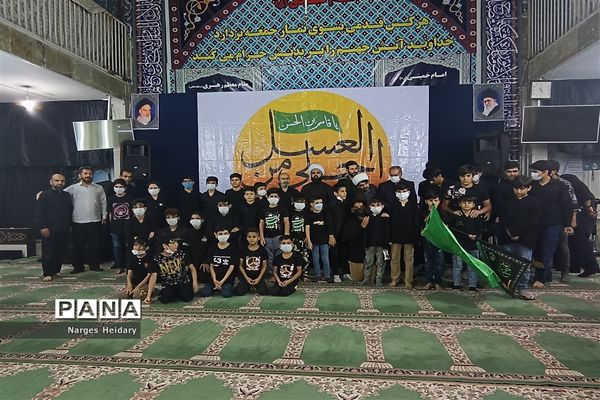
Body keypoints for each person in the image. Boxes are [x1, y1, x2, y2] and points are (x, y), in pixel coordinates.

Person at [529, 160, 573, 288]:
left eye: (535, 171)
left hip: (553, 223)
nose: (533, 174)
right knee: (537, 251)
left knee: (546, 251)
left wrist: (567, 224)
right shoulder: (531, 185)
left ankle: (540, 278)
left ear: (545, 172)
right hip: (535, 223)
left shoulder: (559, 186)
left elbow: (567, 206)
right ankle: (546, 274)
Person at [496, 175, 539, 300]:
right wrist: (510, 233)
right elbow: (502, 218)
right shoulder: (507, 201)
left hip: (526, 239)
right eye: (516, 188)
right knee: (508, 264)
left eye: (522, 188)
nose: (519, 191)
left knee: (524, 265)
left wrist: (517, 233)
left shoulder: (534, 202)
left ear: (529, 188)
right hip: (507, 238)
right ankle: (510, 286)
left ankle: (523, 288)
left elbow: (533, 221)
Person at [64, 166, 107, 273]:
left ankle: (94, 265)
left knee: (95, 245)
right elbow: (59, 194)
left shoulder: (99, 188)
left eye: (90, 174)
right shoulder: (72, 188)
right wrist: (42, 194)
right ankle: (78, 267)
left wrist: (104, 216)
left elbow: (103, 202)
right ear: (80, 175)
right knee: (78, 246)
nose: (88, 175)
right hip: (78, 221)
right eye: (85, 173)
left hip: (95, 220)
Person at [35, 173, 72, 281]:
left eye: (62, 181)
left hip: (64, 228)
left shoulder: (66, 195)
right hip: (49, 229)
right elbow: (39, 213)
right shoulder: (44, 195)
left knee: (60, 250)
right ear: (51, 182)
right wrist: (43, 227)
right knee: (48, 251)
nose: (60, 183)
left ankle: (55, 270)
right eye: (57, 180)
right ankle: (47, 273)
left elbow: (69, 211)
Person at [561, 174, 600, 278]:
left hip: (583, 214)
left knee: (580, 241)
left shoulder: (568, 179)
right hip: (574, 214)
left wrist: (589, 208)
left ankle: (591, 266)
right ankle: (575, 266)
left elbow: (586, 197)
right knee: (573, 241)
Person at [444, 196, 483, 291]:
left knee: (473, 266)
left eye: (469, 203)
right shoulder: (455, 216)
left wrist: (476, 236)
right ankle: (456, 284)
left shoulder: (476, 216)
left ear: (473, 205)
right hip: (459, 246)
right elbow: (444, 224)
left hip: (473, 245)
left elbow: (480, 229)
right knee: (457, 265)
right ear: (460, 204)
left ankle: (472, 285)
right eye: (464, 202)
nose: (466, 205)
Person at [548, 160, 578, 282]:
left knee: (563, 246)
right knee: (546, 246)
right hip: (545, 219)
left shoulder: (565, 184)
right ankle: (546, 271)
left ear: (553, 171)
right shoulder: (540, 183)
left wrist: (572, 220)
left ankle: (565, 271)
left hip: (561, 220)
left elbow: (573, 203)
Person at [145, 238, 198, 304]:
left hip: (183, 281)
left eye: (176, 242)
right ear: (165, 245)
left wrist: (195, 283)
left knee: (187, 297)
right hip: (168, 283)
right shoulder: (156, 258)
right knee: (165, 299)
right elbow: (153, 276)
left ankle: (180, 292)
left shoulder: (181, 254)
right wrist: (148, 296)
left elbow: (192, 268)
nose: (176, 244)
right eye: (173, 243)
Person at [388, 184, 420, 289]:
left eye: (404, 191)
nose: (402, 194)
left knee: (409, 259)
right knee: (394, 258)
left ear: (409, 192)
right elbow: (390, 221)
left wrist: (416, 236)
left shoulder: (413, 205)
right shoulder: (393, 205)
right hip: (395, 235)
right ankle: (394, 278)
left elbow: (416, 222)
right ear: (396, 193)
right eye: (399, 192)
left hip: (409, 235)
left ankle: (408, 280)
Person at [200, 226, 238, 298]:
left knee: (226, 294)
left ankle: (221, 287)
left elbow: (231, 267)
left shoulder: (233, 248)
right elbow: (211, 266)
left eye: (225, 233)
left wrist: (222, 281)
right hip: (213, 278)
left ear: (229, 234)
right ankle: (216, 287)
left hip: (227, 278)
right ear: (215, 235)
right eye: (220, 234)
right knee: (204, 293)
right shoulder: (212, 248)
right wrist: (214, 280)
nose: (223, 235)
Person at [259, 188, 290, 270]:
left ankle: (279, 272)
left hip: (279, 236)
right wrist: (261, 237)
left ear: (279, 198)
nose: (273, 198)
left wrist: (286, 235)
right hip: (267, 237)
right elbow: (261, 224)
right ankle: (272, 272)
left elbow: (286, 222)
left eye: (275, 196)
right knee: (269, 257)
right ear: (267, 197)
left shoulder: (283, 209)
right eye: (271, 196)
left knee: (279, 256)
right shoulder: (263, 209)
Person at [305, 195, 334, 283]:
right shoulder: (309, 215)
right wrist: (309, 241)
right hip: (314, 241)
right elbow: (307, 228)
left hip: (324, 241)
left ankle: (327, 276)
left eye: (321, 202)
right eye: (317, 203)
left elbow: (329, 226)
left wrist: (330, 237)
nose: (319, 204)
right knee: (315, 258)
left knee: (325, 259)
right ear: (311, 204)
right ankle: (317, 275)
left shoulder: (325, 214)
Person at [107, 178, 133, 273]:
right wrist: (110, 225)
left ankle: (129, 266)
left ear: (125, 188)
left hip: (128, 226)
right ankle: (119, 266)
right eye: (116, 186)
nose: (119, 188)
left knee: (128, 246)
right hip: (115, 227)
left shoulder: (130, 198)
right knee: (117, 247)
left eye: (121, 186)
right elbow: (110, 213)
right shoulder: (111, 199)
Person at [362, 198, 390, 286]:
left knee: (381, 262)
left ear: (382, 206)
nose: (375, 207)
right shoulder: (367, 218)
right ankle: (366, 278)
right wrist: (365, 244)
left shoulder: (385, 218)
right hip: (370, 244)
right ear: (369, 206)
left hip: (381, 244)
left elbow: (387, 232)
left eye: (378, 205)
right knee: (368, 261)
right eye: (373, 205)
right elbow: (365, 232)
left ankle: (379, 280)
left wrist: (386, 245)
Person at [234, 228, 269, 296]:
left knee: (264, 292)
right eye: (249, 237)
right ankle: (248, 286)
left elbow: (264, 266)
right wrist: (246, 277)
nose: (251, 239)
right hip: (246, 276)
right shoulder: (243, 250)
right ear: (246, 238)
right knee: (238, 292)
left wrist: (259, 278)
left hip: (258, 276)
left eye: (254, 237)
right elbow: (240, 265)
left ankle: (255, 285)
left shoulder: (263, 250)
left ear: (258, 238)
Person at [421, 191, 445, 290]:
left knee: (439, 262)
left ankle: (437, 282)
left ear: (439, 201)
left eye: (436, 200)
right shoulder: (423, 212)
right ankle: (429, 281)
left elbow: (445, 226)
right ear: (426, 201)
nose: (433, 203)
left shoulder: (442, 213)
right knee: (428, 261)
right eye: (431, 201)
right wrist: (431, 213)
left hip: (438, 241)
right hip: (427, 240)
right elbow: (422, 222)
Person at [342, 200, 369, 282]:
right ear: (353, 209)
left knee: (371, 279)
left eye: (361, 207)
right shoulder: (350, 221)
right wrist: (361, 226)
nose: (359, 209)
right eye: (356, 207)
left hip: (370, 252)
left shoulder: (370, 218)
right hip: (356, 253)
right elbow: (347, 236)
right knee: (357, 278)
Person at [329, 183, 348, 282]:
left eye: (345, 191)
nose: (345, 193)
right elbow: (330, 221)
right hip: (334, 234)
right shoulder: (332, 205)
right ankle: (335, 274)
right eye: (342, 191)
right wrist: (331, 235)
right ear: (335, 193)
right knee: (334, 254)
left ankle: (345, 273)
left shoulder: (345, 204)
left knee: (344, 253)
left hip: (344, 234)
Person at [289, 193, 310, 281]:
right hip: (293, 239)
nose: (300, 203)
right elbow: (288, 225)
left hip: (303, 239)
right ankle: (293, 274)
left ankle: (304, 274)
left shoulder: (307, 213)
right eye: (298, 201)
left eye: (302, 202)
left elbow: (307, 227)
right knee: (292, 257)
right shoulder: (290, 212)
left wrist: (308, 239)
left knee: (304, 257)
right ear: (294, 202)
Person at [188, 211, 210, 284]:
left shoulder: (207, 233)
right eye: (193, 218)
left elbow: (210, 249)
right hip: (191, 263)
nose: (195, 220)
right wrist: (189, 263)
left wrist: (206, 261)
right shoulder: (187, 233)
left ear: (202, 220)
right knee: (189, 279)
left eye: (197, 218)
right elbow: (185, 249)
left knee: (203, 277)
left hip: (203, 262)